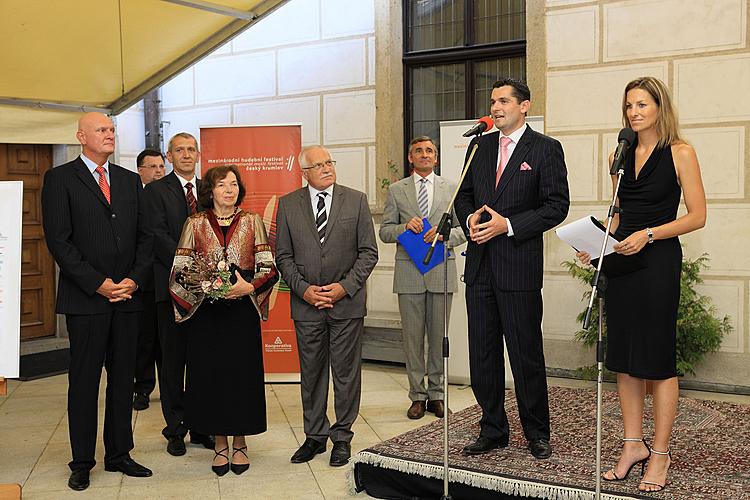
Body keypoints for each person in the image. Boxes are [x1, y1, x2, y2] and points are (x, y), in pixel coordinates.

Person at [576, 76, 706, 493]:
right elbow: (617, 213)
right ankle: (633, 445)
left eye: (642, 105)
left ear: (659, 108)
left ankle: (661, 453)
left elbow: (697, 216)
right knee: (625, 358)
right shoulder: (620, 153)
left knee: (657, 359)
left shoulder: (681, 152)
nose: (634, 112)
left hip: (657, 261)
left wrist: (649, 234)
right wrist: (597, 245)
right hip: (622, 260)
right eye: (629, 105)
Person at [455, 78, 570, 459]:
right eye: (493, 101)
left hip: (518, 267)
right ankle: (492, 429)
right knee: (482, 354)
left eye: (504, 101)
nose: (496, 107)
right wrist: (469, 217)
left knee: (525, 354)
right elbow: (464, 195)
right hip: (481, 268)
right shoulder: (480, 146)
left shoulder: (545, 148)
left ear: (525, 106)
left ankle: (537, 432)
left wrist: (509, 225)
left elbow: (556, 206)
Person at [41, 112, 153, 491]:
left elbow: (146, 237)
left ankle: (119, 453)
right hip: (86, 299)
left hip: (127, 297)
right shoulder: (59, 179)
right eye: (101, 130)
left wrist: (133, 280)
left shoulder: (128, 180)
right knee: (84, 382)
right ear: (81, 136)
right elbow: (60, 241)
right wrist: (99, 284)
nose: (110, 134)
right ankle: (82, 461)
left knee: (123, 380)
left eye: (111, 129)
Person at [169, 165, 277, 475]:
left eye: (233, 184)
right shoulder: (195, 223)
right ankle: (219, 444)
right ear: (210, 191)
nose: (228, 189)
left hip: (241, 311)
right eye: (221, 185)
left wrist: (249, 287)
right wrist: (203, 285)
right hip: (207, 313)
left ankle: (240, 442)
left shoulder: (252, 221)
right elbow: (180, 267)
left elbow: (268, 267)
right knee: (211, 378)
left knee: (241, 377)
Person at [275, 146, 378, 467]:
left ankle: (342, 436)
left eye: (329, 162)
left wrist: (343, 288)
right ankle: (315, 436)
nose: (326, 168)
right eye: (318, 165)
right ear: (303, 172)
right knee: (312, 373)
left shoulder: (356, 200)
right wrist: (305, 291)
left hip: (346, 305)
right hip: (307, 306)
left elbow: (368, 253)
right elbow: (283, 257)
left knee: (346, 374)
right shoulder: (288, 204)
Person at [379, 136, 465, 419]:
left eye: (430, 151)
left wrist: (444, 236)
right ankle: (417, 395)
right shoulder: (396, 190)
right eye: (419, 151)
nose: (425, 155)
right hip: (409, 273)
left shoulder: (451, 188)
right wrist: (405, 227)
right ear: (410, 158)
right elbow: (385, 231)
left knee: (439, 337)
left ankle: (437, 395)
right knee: (412, 339)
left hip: (441, 271)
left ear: (436, 158)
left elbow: (464, 231)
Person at [144, 133, 215, 455]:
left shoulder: (208, 190)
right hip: (169, 289)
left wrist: (209, 274)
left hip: (209, 292)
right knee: (171, 363)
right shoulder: (155, 191)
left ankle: (201, 426)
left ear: (198, 155)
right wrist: (189, 268)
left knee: (202, 361)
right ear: (169, 157)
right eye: (179, 150)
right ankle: (175, 429)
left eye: (191, 149)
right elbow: (155, 235)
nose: (186, 155)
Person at [133, 149, 165, 411]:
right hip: (142, 280)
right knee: (143, 339)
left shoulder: (172, 194)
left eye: (161, 166)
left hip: (166, 277)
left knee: (166, 340)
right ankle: (142, 388)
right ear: (140, 170)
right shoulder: (133, 197)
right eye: (152, 167)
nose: (158, 171)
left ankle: (169, 388)